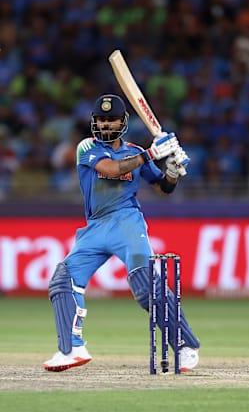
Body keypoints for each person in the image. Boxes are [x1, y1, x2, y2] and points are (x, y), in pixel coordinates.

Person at [43, 94, 200, 372]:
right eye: (101, 120)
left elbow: (163, 188)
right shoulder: (87, 147)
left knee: (145, 285)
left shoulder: (134, 151)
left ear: (122, 122)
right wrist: (151, 154)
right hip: (95, 226)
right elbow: (112, 169)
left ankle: (185, 347)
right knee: (63, 280)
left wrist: (173, 171)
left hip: (127, 223)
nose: (105, 125)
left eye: (111, 120)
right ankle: (72, 350)